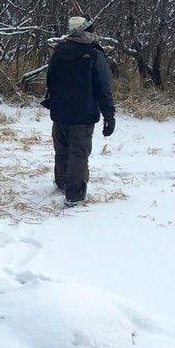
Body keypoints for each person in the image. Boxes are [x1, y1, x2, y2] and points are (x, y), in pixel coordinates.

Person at [44, 15, 115, 207]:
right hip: (83, 113)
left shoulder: (59, 51)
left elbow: (50, 79)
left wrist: (53, 101)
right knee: (79, 153)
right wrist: (109, 115)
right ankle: (74, 195)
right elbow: (103, 87)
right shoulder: (94, 54)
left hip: (60, 112)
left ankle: (62, 183)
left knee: (62, 150)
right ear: (89, 31)